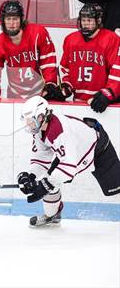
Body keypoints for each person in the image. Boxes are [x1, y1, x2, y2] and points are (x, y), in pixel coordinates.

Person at [17, 96, 120, 227]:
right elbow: (41, 159)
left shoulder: (60, 130)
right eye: (27, 121)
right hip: (76, 149)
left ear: (43, 116)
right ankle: (53, 215)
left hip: (98, 150)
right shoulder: (38, 131)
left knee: (117, 188)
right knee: (48, 180)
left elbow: (68, 170)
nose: (29, 124)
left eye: (32, 120)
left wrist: (46, 184)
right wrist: (31, 176)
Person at [0, 0, 59, 100]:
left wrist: (50, 85)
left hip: (40, 94)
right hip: (15, 97)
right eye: (8, 19)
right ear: (3, 20)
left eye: (15, 19)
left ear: (21, 19)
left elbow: (48, 62)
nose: (11, 23)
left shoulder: (38, 33)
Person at [59, 3, 120, 113]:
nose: (86, 24)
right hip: (78, 103)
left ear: (98, 21)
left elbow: (117, 69)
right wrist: (66, 87)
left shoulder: (111, 39)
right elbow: (65, 68)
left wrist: (108, 93)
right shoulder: (70, 40)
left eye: (90, 20)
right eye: (83, 20)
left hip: (104, 103)